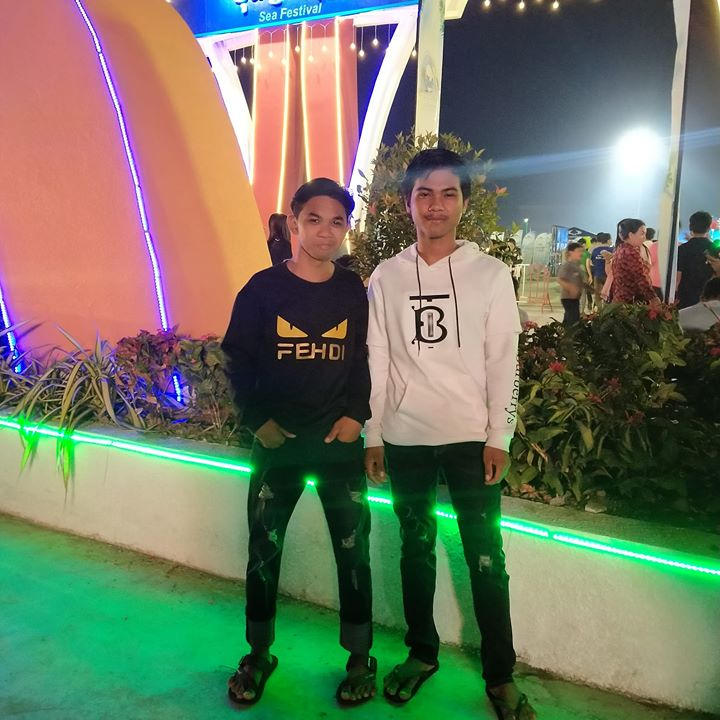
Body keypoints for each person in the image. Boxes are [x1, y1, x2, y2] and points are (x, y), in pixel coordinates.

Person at [364, 149, 536, 719]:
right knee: (414, 549)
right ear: (407, 203)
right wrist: (373, 433)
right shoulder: (386, 277)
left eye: (448, 194)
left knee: (485, 555)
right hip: (405, 437)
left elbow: (503, 361)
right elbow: (377, 359)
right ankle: (422, 653)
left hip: (470, 441)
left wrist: (499, 436)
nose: (435, 206)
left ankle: (500, 675)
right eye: (424, 194)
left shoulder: (490, 274)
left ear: (463, 203)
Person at [222, 178, 376, 706]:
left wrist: (356, 415)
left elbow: (364, 357)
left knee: (354, 554)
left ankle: (360, 658)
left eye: (337, 222)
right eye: (314, 219)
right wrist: (256, 420)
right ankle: (258, 653)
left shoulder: (353, 290)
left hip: (338, 447)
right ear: (294, 223)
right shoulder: (262, 290)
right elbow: (236, 359)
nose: (326, 232)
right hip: (278, 446)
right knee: (263, 551)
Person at [609, 218, 658, 305]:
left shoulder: (620, 248)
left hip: (620, 297)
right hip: (629, 300)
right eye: (642, 234)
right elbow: (640, 277)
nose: (645, 237)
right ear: (631, 235)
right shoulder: (630, 252)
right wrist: (654, 298)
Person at [677, 211, 715, 309]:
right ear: (709, 228)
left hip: (685, 296)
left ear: (691, 227)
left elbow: (678, 276)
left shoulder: (682, 249)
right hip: (709, 297)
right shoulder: (714, 249)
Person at [557, 242, 584, 326]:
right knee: (573, 322)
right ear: (571, 252)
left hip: (575, 299)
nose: (581, 253)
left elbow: (580, 282)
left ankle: (563, 331)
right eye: (579, 251)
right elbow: (560, 279)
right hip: (568, 298)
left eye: (582, 251)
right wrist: (571, 288)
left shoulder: (577, 265)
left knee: (569, 321)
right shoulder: (567, 265)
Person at [588, 232, 612, 307]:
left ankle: (599, 311)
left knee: (597, 296)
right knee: (608, 295)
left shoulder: (595, 250)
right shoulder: (612, 250)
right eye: (611, 240)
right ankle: (606, 311)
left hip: (597, 275)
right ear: (608, 240)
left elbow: (592, 262)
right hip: (608, 277)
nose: (611, 241)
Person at [645, 228, 663, 300]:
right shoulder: (679, 246)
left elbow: (648, 264)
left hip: (655, 282)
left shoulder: (654, 246)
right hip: (673, 285)